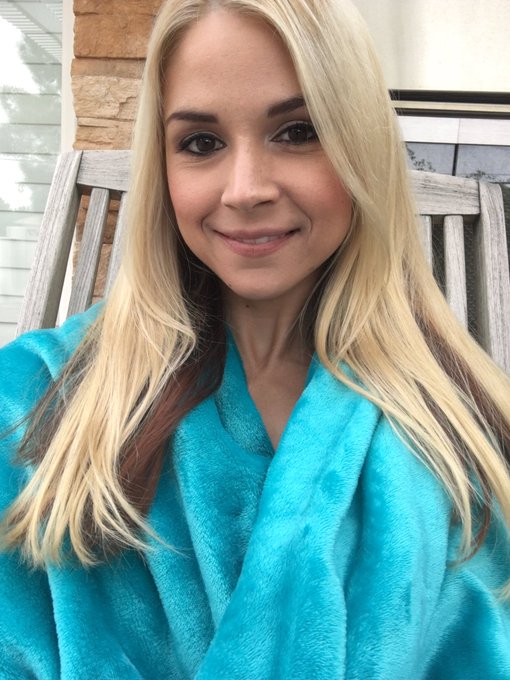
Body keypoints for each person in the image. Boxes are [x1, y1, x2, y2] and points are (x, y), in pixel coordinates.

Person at [1, 0, 509, 677]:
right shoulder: (30, 407)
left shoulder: (468, 430)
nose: (245, 190)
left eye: (297, 131)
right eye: (201, 143)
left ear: (361, 146)